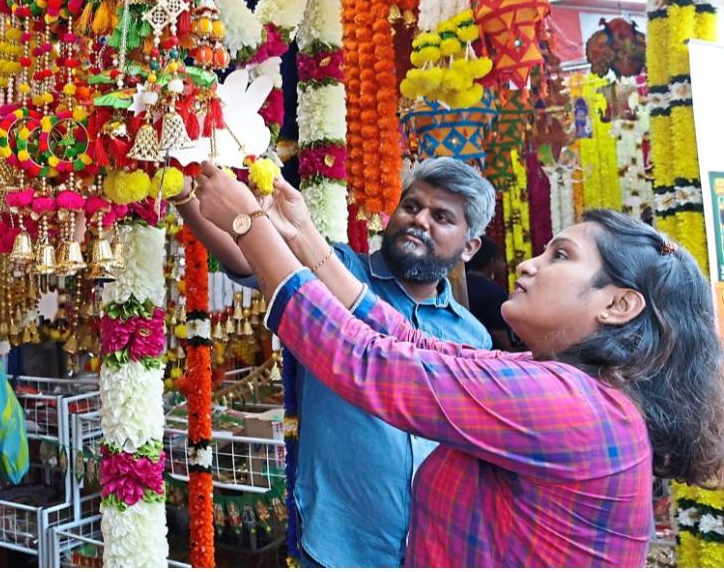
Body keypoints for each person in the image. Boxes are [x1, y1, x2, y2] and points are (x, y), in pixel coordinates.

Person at [194, 163, 724, 566]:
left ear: (618, 304)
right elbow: (406, 341)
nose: (528, 265)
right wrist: (301, 234)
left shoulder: (572, 404)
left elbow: (367, 361)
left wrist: (249, 222)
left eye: (560, 256)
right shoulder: (575, 388)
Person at [174, 157, 493, 566]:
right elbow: (246, 256)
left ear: (470, 246)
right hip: (338, 542)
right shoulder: (337, 266)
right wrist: (186, 196)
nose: (419, 221)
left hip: (436, 547)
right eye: (412, 206)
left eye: (441, 217)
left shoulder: (472, 338)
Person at [464, 236, 515, 350]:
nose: (505, 265)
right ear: (492, 261)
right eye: (501, 259)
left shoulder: (457, 285)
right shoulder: (495, 293)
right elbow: (500, 337)